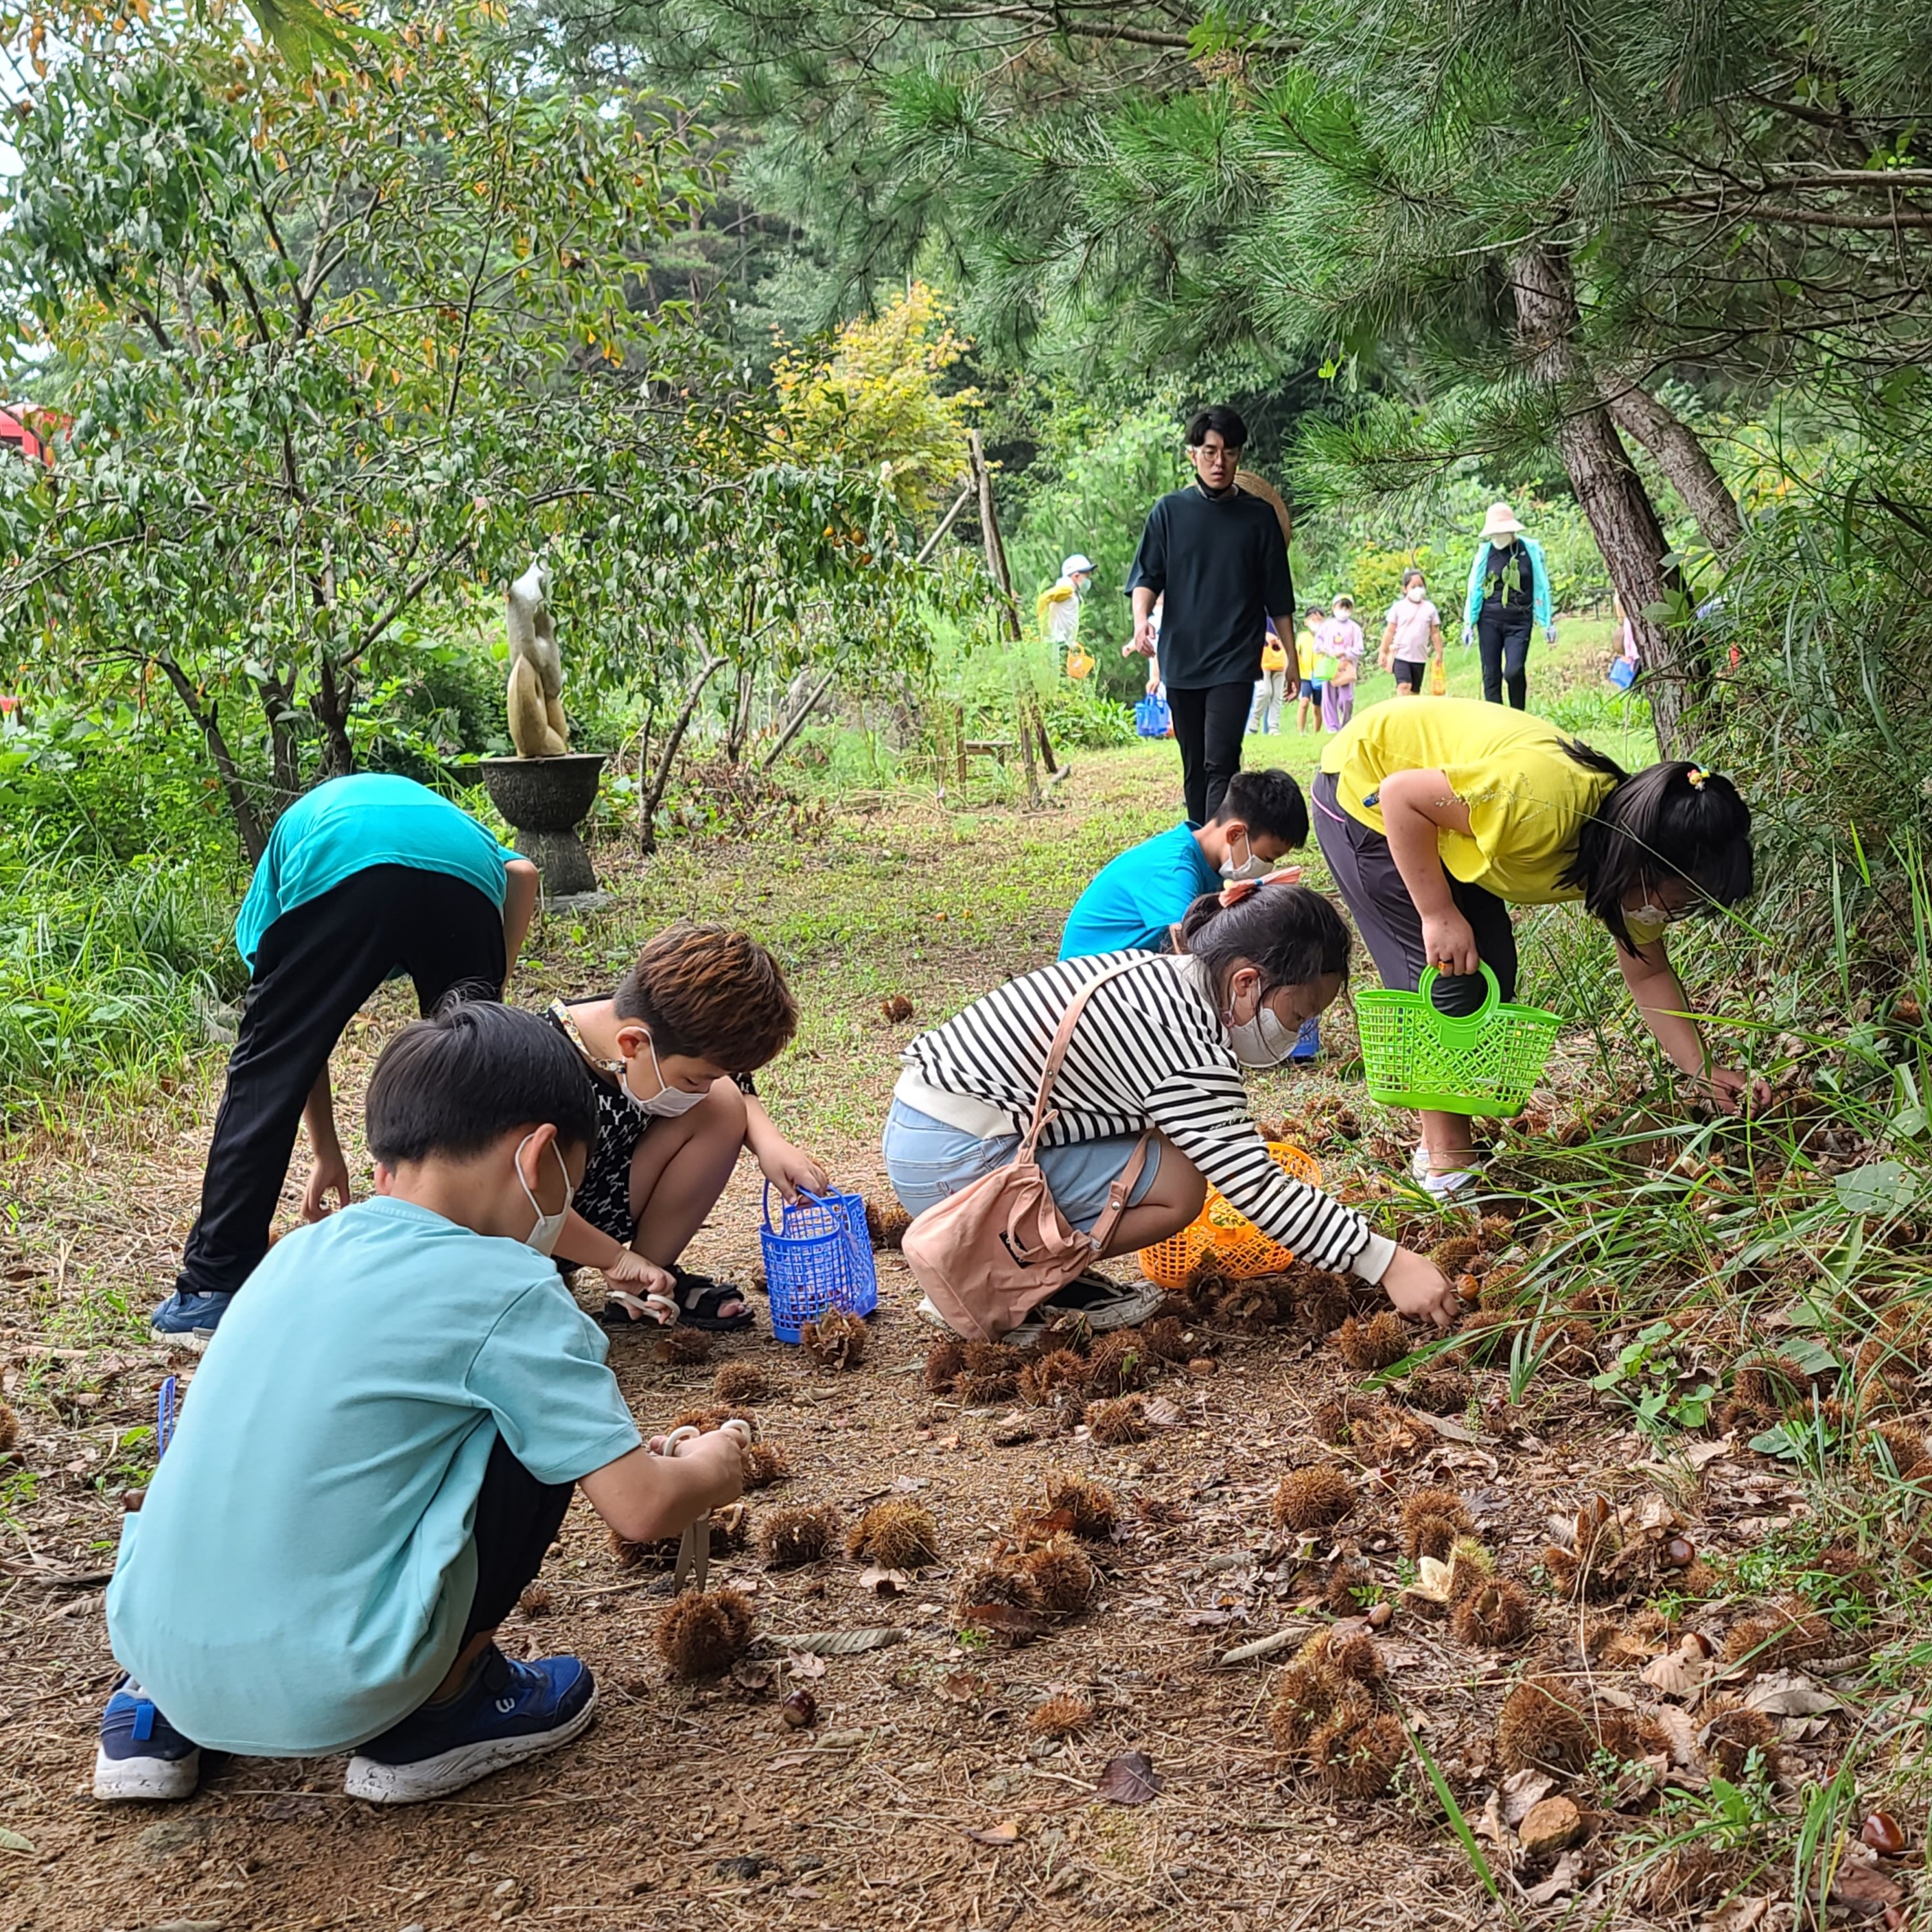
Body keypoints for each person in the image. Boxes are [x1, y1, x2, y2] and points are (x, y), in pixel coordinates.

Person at [97, 1001, 746, 1806]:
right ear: (538, 1159)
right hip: (343, 1684)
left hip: (157, 1650)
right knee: (530, 1417)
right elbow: (642, 1508)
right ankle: (443, 1708)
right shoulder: (513, 1292)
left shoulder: (295, 1254)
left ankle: (153, 1714)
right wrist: (718, 1471)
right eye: (569, 1188)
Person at [883, 879, 1460, 1338]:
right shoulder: (1183, 1042)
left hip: (933, 1128)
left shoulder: (1170, 980)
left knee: (1174, 1156)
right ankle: (996, 1274)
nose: (1300, 1030)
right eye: (1299, 1013)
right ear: (1246, 982)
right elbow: (1256, 1185)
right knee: (1179, 1185)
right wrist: (1386, 1262)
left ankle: (1029, 1269)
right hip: (953, 1158)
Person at [150, 773, 542, 1345]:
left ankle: (214, 1286)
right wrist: (478, 1016)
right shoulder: (443, 819)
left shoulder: (284, 868)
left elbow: (289, 1049)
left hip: (347, 856)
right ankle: (473, 1274)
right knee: (473, 1077)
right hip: (465, 878)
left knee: (267, 1065)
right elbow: (522, 874)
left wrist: (322, 1145)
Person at [1313, 698, 1760, 1197]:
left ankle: (1441, 1141)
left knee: (1489, 969)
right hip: (1367, 790)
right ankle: (1445, 1166)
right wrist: (1438, 913)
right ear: (1642, 864)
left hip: (1445, 818)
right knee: (1445, 977)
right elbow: (1400, 796)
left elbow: (1649, 974)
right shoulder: (1538, 807)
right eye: (1677, 900)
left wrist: (1702, 1070)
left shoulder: (1627, 856)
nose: (1669, 915)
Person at [545, 924, 824, 1331]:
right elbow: (523, 1196)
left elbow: (734, 1083)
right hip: (520, 1228)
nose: (702, 1090)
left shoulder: (655, 1020)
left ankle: (642, 1287)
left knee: (724, 1106)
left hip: (595, 1202)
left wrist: (769, 1144)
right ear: (632, 1045)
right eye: (696, 1080)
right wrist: (612, 1257)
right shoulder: (540, 1067)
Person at [1126, 407, 1295, 822]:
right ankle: (1203, 853)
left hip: (1235, 660)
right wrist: (1141, 620)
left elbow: (1279, 597)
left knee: (1221, 763)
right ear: (1193, 454)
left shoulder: (1259, 518)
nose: (1219, 462)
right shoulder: (1169, 513)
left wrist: (1293, 660)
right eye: (1210, 451)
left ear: (1239, 457)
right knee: (1194, 765)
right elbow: (1147, 576)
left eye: (1230, 453)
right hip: (1182, 660)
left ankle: (1213, 857)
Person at [1058, 768, 1308, 961]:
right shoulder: (1175, 870)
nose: (1268, 867)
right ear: (1235, 835)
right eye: (1267, 858)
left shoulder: (1204, 867)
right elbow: (1189, 955)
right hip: (1085, 992)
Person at [1460, 502, 1555, 710]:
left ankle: (1518, 715)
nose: (1498, 536)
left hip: (1520, 621)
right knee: (1491, 674)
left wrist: (1547, 622)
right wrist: (1469, 622)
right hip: (1489, 621)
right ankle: (1497, 722)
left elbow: (1541, 586)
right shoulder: (1485, 553)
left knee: (1514, 670)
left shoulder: (1529, 550)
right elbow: (1475, 588)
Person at [1380, 569, 1445, 698]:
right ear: (1405, 589)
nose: (1418, 589)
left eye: (1420, 586)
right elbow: (1390, 630)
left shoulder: (1430, 608)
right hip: (1401, 655)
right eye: (1413, 587)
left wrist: (1439, 653)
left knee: (1415, 691)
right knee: (1404, 685)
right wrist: (1383, 651)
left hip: (1419, 657)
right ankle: (1401, 713)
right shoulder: (1398, 607)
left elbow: (1435, 633)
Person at [1318, 596, 1366, 732]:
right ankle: (1332, 726)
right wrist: (1328, 651)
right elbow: (1318, 644)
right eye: (1341, 607)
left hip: (1346, 667)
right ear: (1334, 608)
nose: (1344, 610)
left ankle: (1346, 724)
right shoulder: (1327, 626)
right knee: (1329, 697)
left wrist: (1345, 653)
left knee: (1346, 699)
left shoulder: (1354, 628)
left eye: (1347, 607)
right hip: (1330, 665)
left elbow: (1359, 648)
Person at [1037, 554, 1095, 658]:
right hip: (1059, 642)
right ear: (1076, 576)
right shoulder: (1067, 589)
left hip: (1064, 643)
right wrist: (1045, 630)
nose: (1088, 580)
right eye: (1087, 576)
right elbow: (1044, 598)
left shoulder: (1071, 590)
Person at [1249, 625, 1290, 735]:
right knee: (1265, 691)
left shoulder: (1281, 616)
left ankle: (1273, 727)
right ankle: (1255, 719)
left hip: (1280, 657)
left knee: (1277, 695)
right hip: (1262, 656)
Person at [1294, 609, 1325, 734]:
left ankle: (1316, 732)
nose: (1316, 622)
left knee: (1317, 707)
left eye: (1319, 620)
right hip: (1305, 675)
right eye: (1313, 620)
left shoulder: (1326, 636)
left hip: (1321, 675)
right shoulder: (1302, 637)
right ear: (1306, 622)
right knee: (1304, 702)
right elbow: (1297, 652)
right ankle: (1301, 731)